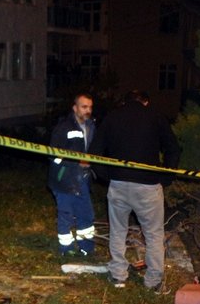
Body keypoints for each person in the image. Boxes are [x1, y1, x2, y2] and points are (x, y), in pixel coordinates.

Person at [89, 90, 180, 293]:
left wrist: (106, 176)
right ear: (145, 102)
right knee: (154, 234)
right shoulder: (156, 116)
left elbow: (94, 152)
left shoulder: (112, 117)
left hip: (118, 184)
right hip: (148, 186)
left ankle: (118, 275)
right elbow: (173, 148)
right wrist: (166, 177)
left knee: (118, 229)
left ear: (125, 101)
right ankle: (153, 281)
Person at [47, 92, 96, 256]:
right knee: (66, 215)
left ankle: (86, 249)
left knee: (86, 215)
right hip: (64, 179)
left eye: (90, 107)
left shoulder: (91, 126)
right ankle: (66, 250)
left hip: (83, 179)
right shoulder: (63, 127)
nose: (87, 110)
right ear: (75, 108)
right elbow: (53, 155)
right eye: (84, 107)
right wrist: (74, 162)